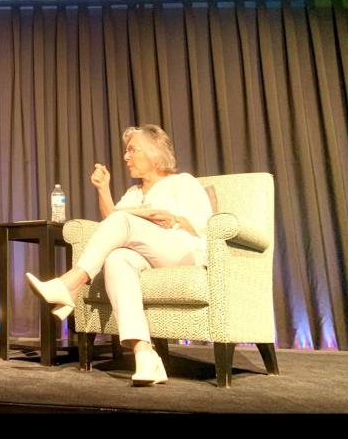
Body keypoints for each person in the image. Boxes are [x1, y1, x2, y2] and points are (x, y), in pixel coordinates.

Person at [26, 124, 212, 386]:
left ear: (154, 152)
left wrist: (176, 218)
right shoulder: (134, 193)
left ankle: (70, 285)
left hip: (182, 249)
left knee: (121, 220)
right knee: (116, 259)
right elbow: (111, 225)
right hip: (147, 256)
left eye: (132, 150)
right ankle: (145, 355)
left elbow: (207, 225)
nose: (125, 157)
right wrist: (104, 189)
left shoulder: (183, 182)